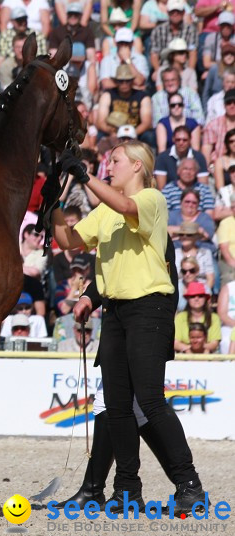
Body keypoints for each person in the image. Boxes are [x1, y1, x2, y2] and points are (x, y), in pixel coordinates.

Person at [54, 139, 207, 514]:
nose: (110, 165)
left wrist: (85, 175)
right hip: (116, 314)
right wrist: (54, 203)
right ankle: (127, 489)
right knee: (120, 407)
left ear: (137, 166)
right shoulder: (105, 211)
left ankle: (190, 485)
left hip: (149, 310)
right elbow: (67, 240)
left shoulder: (152, 199)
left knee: (151, 401)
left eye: (116, 160)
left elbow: (125, 205)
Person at [174, 282, 221, 353]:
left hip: (208, 355)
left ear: (205, 298)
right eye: (192, 296)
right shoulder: (180, 317)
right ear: (187, 299)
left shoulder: (214, 317)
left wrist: (198, 348)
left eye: (200, 296)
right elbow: (175, 343)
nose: (196, 298)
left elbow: (214, 344)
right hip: (184, 356)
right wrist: (189, 350)